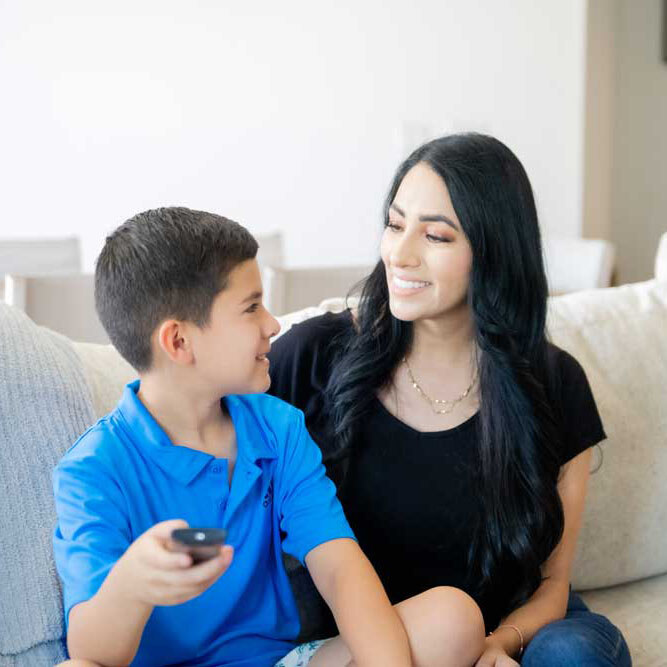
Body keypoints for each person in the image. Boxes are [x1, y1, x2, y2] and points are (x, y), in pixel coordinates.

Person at [268, 134, 632, 667]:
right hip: (370, 642)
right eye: (395, 224)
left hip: (505, 632)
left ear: (494, 252)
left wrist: (491, 648)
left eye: (435, 235)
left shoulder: (555, 382)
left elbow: (552, 589)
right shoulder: (313, 355)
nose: (401, 252)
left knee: (575, 653)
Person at [52, 207, 452, 667]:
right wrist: (132, 585)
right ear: (179, 343)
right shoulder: (93, 468)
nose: (272, 324)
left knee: (450, 618)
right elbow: (91, 650)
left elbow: (339, 567)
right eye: (251, 307)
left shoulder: (278, 429)